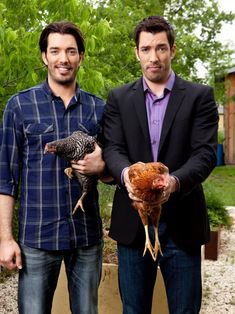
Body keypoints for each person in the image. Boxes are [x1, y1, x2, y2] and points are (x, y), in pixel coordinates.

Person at [103, 15, 219, 314]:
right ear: (136, 52)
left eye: (161, 48)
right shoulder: (118, 98)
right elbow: (113, 148)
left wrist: (174, 182)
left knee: (185, 310)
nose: (153, 57)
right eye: (146, 49)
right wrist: (128, 174)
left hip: (182, 222)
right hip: (132, 223)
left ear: (173, 50)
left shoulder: (199, 96)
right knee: (134, 310)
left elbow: (204, 154)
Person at [0, 21, 106, 314]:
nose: (64, 58)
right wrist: (5, 239)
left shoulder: (99, 109)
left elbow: (112, 173)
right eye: (55, 50)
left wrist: (103, 165)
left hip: (86, 237)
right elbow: (5, 179)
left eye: (71, 51)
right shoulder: (20, 106)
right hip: (37, 238)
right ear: (44, 56)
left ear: (81, 57)